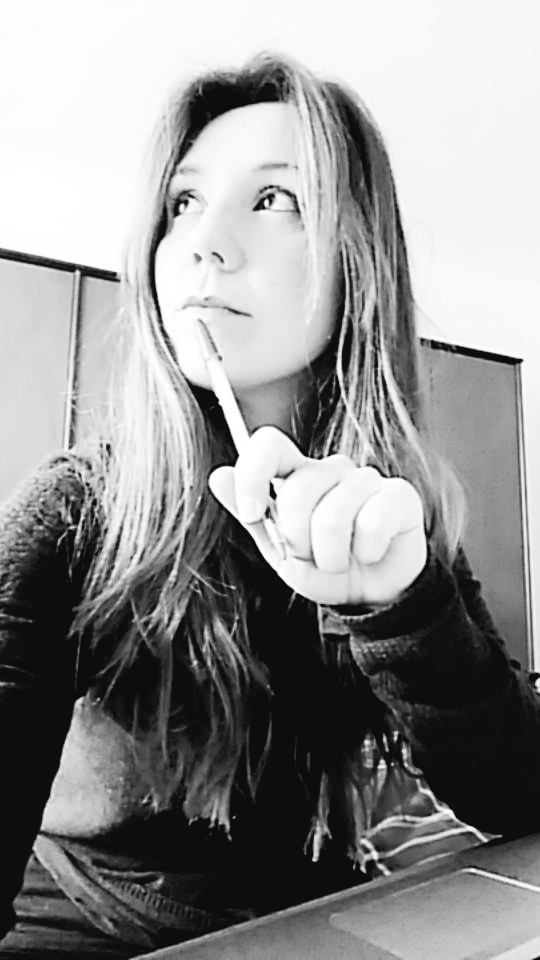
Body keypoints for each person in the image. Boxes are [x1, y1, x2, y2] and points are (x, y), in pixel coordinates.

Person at [0, 51, 539, 959]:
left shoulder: (391, 524)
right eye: (183, 203)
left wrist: (402, 608)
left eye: (276, 198)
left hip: (314, 918)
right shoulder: (70, 515)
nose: (204, 243)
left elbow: (521, 805)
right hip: (87, 925)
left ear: (357, 263)